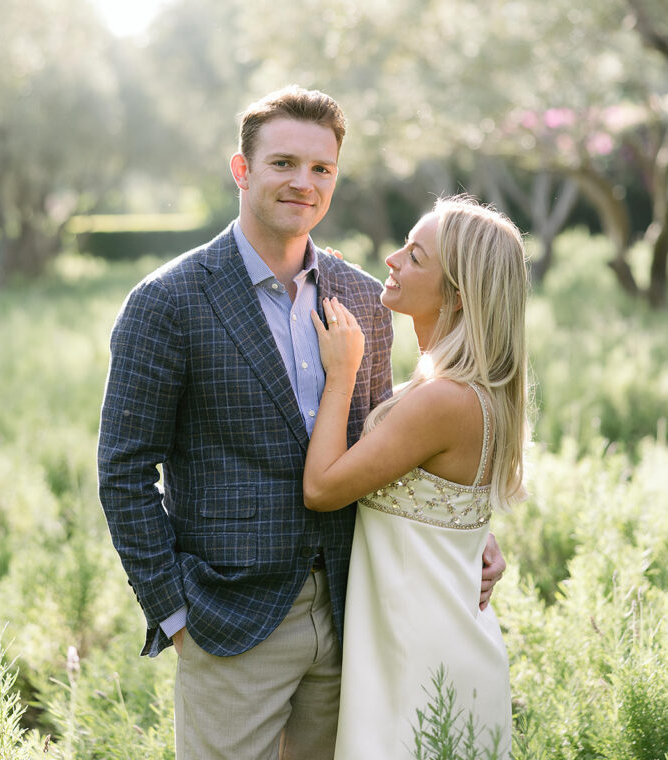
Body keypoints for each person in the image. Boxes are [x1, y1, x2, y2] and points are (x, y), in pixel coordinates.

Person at [97, 87, 506, 760]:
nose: (303, 183)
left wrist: (470, 532)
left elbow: (385, 448)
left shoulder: (365, 301)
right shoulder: (166, 302)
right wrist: (174, 615)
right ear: (241, 170)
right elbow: (124, 471)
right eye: (283, 162)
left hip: (357, 613)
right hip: (228, 620)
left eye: (321, 168)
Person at [304, 195, 530, 760]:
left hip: (419, 663)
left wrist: (343, 371)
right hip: (426, 643)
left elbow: (322, 488)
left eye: (416, 256)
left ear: (456, 294)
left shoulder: (444, 400)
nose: (392, 260)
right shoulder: (460, 388)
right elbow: (439, 501)